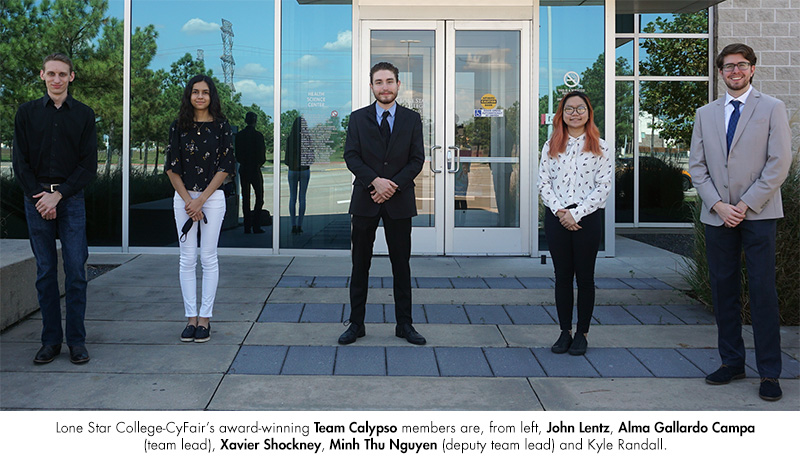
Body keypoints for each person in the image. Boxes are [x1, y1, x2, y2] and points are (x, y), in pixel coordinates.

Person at [689, 43, 791, 402]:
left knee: (763, 292)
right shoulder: (705, 113)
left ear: (752, 69)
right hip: (718, 216)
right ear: (720, 73)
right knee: (724, 291)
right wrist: (718, 204)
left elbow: (779, 163)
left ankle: (770, 373)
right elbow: (697, 167)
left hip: (759, 214)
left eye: (741, 65)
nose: (735, 71)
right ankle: (732, 361)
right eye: (728, 66)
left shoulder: (772, 108)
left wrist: (744, 205)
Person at [13, 53, 97, 365]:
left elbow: (88, 167)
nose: (57, 79)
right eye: (51, 74)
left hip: (70, 200)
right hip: (36, 200)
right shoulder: (26, 113)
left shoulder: (85, 115)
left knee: (76, 271)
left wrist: (58, 195)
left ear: (72, 77)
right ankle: (51, 342)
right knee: (46, 272)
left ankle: (76, 341)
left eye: (63, 74)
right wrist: (40, 196)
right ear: (42, 75)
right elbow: (19, 163)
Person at [339, 62, 426, 346]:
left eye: (390, 81)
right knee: (359, 265)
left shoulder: (412, 120)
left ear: (399, 85)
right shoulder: (357, 118)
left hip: (399, 202)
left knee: (401, 265)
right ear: (371, 86)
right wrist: (375, 182)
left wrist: (392, 186)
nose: (385, 87)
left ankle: (405, 325)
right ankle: (356, 324)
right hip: (365, 200)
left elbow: (417, 160)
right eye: (379, 82)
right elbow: (351, 156)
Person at [537, 91, 613, 356]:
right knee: (562, 278)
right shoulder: (551, 145)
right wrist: (560, 212)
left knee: (585, 278)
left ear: (588, 112)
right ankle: (564, 332)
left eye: (580, 108)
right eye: (569, 109)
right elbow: (543, 183)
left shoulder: (601, 146)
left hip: (586, 219)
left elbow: (603, 187)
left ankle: (582, 333)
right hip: (557, 218)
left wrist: (576, 214)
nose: (575, 113)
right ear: (562, 114)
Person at [165, 75, 235, 343]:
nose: (200, 97)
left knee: (208, 257)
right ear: (189, 96)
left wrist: (201, 201)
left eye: (205, 92)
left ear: (211, 96)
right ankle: (190, 318)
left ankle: (205, 319)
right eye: (195, 92)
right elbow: (171, 167)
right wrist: (189, 202)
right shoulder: (178, 126)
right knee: (186, 258)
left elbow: (226, 166)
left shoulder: (221, 127)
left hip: (212, 199)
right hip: (183, 198)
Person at [235, 111, 266, 234]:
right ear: (255, 120)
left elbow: (237, 154)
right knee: (259, 197)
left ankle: (247, 226)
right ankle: (256, 225)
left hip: (244, 168)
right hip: (254, 169)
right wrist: (258, 164)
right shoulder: (258, 136)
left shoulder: (239, 136)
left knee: (246, 198)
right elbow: (262, 155)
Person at [284, 115, 311, 234]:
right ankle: (300, 224)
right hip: (304, 170)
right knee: (302, 198)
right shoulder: (307, 138)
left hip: (292, 170)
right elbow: (312, 157)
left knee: (292, 197)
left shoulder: (290, 139)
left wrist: (292, 164)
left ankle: (293, 224)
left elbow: (286, 158)